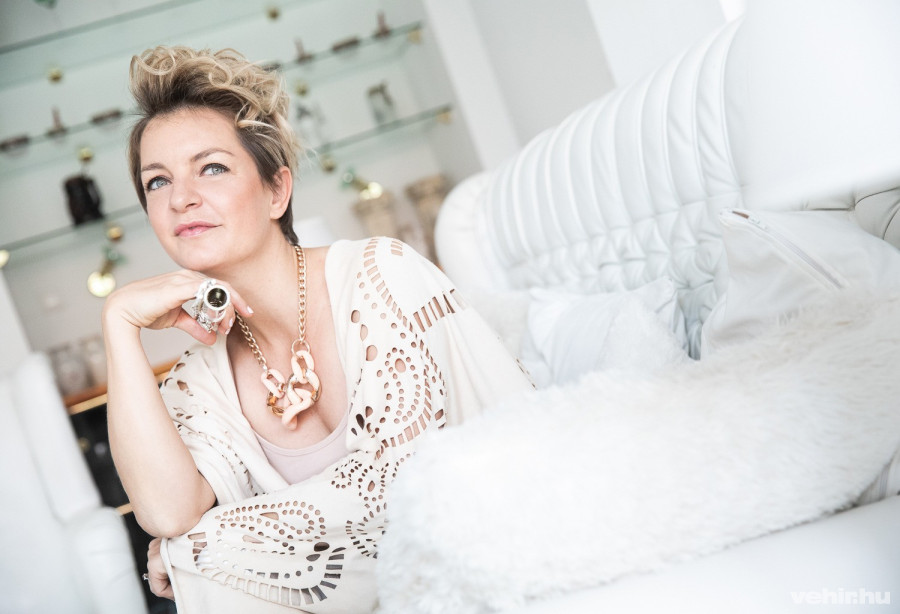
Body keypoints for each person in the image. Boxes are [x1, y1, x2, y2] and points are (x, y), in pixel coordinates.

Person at [103, 45, 531, 613]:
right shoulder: (197, 379)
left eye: (212, 167)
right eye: (157, 182)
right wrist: (119, 325)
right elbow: (167, 516)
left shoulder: (381, 275)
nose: (181, 198)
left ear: (277, 190)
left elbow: (407, 494)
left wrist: (204, 546)